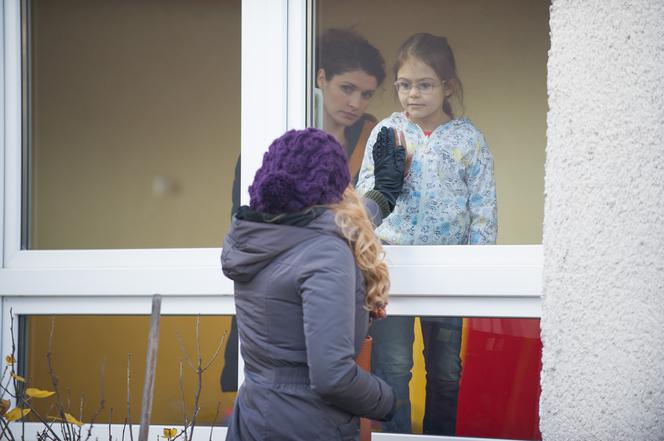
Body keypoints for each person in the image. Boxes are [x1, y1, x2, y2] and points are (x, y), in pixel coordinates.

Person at [220, 29, 393, 395]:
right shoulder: (278, 148)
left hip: (345, 305)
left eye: (366, 93)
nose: (357, 103)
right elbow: (301, 228)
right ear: (320, 78)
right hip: (281, 306)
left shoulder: (374, 137)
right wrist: (377, 199)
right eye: (347, 88)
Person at [356, 33, 498, 435]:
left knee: (445, 369)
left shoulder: (469, 140)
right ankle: (396, 435)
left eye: (424, 84)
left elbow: (483, 212)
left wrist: (477, 269)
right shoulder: (387, 132)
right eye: (404, 85)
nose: (412, 95)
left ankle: (441, 435)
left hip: (451, 269)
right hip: (394, 267)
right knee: (393, 367)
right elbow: (366, 196)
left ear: (447, 86)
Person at [221, 128, 399, 441]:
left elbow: (333, 225)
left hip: (253, 417)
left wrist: (381, 196)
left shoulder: (258, 237)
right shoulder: (326, 253)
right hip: (305, 426)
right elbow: (333, 377)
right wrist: (387, 399)